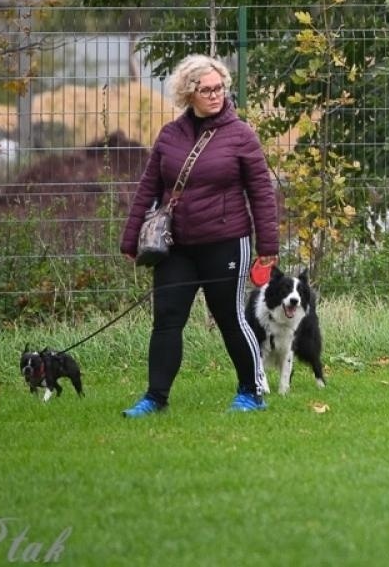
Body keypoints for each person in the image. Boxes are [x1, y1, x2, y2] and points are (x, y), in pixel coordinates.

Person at [119, 54, 279, 416]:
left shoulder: (241, 135)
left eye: (219, 87)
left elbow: (262, 193)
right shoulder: (169, 135)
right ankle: (154, 398)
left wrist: (267, 247)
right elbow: (148, 189)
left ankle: (251, 391)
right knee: (167, 320)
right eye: (205, 89)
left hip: (227, 242)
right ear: (188, 94)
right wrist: (130, 239)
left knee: (230, 318)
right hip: (177, 246)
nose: (215, 95)